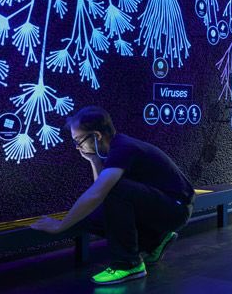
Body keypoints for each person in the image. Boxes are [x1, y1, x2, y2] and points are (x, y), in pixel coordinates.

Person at [29, 106, 195, 284]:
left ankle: (128, 264)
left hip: (177, 209)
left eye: (78, 140)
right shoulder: (114, 148)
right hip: (164, 207)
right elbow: (101, 192)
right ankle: (156, 240)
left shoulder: (123, 148)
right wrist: (94, 160)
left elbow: (98, 193)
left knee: (113, 189)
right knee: (92, 216)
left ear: (96, 136)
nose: (77, 147)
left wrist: (60, 226)